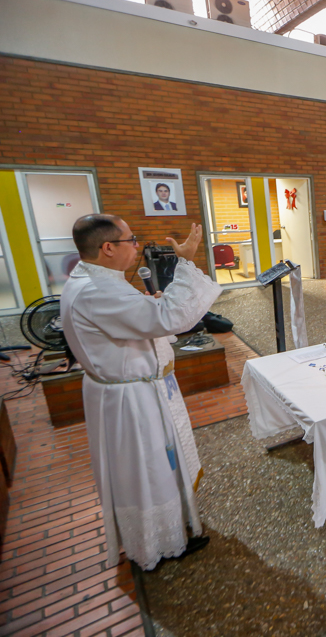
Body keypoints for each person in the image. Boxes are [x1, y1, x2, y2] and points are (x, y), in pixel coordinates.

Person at [60, 216, 221, 571]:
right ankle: (159, 545)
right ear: (108, 248)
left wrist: (148, 308)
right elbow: (172, 318)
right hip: (132, 401)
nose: (137, 246)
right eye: (131, 239)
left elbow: (137, 319)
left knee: (151, 466)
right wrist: (186, 262)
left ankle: (169, 532)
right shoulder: (98, 290)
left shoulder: (93, 278)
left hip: (126, 391)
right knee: (149, 469)